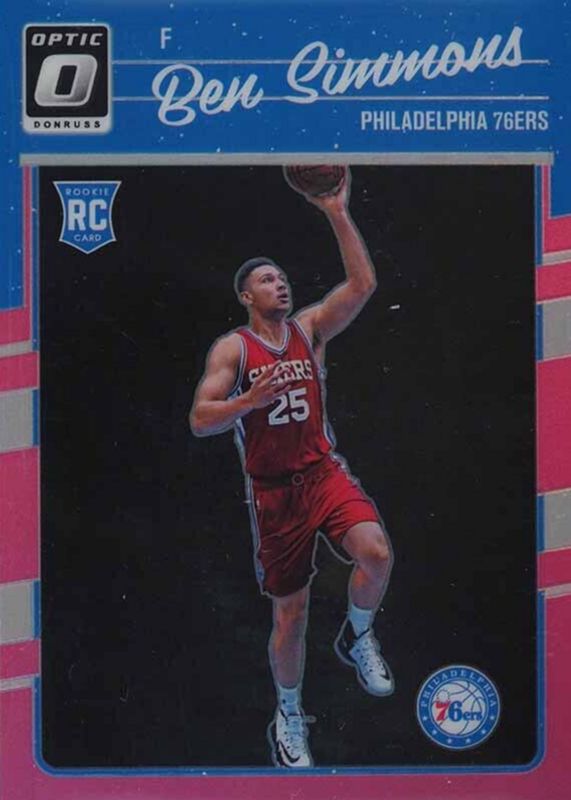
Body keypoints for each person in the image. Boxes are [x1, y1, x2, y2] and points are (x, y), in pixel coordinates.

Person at [189, 168, 393, 768]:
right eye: (266, 280)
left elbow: (362, 284)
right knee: (291, 615)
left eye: (281, 277)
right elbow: (200, 418)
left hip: (322, 472)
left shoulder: (309, 329)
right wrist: (248, 401)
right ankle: (288, 711)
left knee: (377, 553)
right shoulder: (234, 348)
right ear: (246, 296)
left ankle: (358, 634)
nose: (279, 284)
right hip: (275, 494)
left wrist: (336, 211)